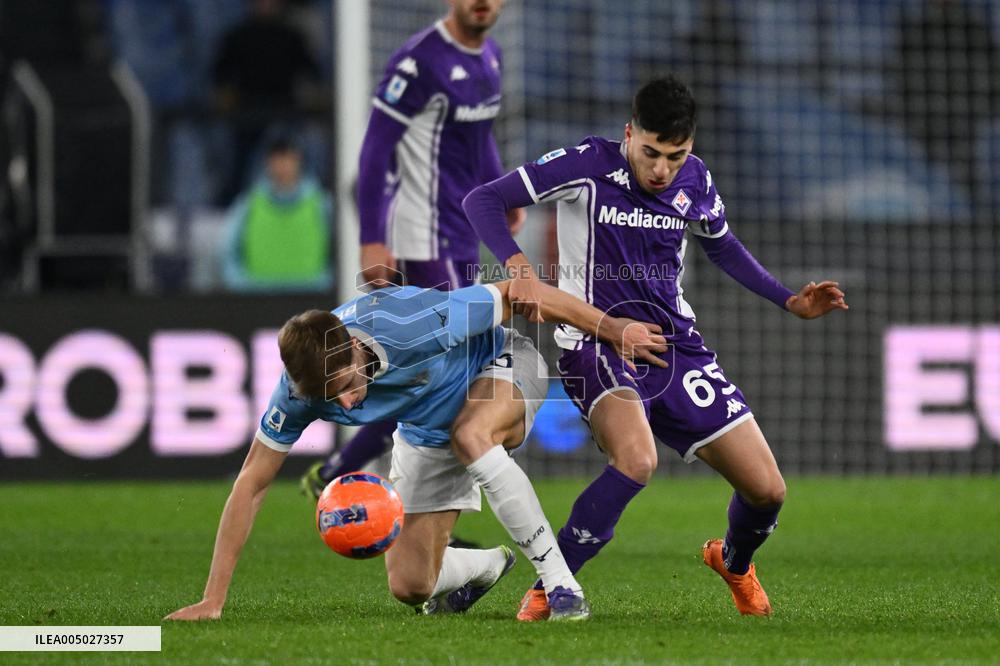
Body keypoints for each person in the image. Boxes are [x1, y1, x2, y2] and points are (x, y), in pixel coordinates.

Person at [462, 75, 849, 620]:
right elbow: (484, 199)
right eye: (650, 153)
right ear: (629, 134)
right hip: (596, 345)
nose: (661, 169)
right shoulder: (586, 165)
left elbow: (725, 247)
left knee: (768, 491)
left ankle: (734, 561)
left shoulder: (695, 180)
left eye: (675, 155)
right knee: (638, 460)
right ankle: (553, 586)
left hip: (675, 349)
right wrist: (520, 268)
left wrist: (789, 300)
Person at [164, 278, 667, 622]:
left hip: (501, 367)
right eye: (328, 398)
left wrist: (612, 328)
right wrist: (214, 598)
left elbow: (519, 292)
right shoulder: (298, 392)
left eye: (345, 384)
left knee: (471, 435)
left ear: (356, 349)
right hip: (427, 429)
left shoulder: (410, 322)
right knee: (411, 587)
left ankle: (561, 586)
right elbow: (251, 483)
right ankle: (490, 565)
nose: (344, 402)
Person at [301, 0, 524, 499]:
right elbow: (376, 149)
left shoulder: (491, 56)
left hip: (461, 229)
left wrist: (501, 192)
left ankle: (340, 472)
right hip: (424, 235)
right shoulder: (417, 62)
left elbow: (479, 134)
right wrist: (373, 238)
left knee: (430, 370)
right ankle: (409, 498)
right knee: (448, 370)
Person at [220, 133, 333, 292]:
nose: (283, 166)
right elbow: (227, 252)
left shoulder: (321, 204)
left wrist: (325, 283)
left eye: (288, 159)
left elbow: (340, 249)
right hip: (259, 299)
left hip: (312, 297)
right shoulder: (248, 204)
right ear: (268, 163)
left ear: (298, 161)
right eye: (277, 160)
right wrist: (242, 285)